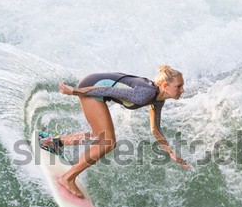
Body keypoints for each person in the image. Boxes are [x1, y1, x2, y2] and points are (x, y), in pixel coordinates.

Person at [45, 65, 191, 198]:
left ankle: (54, 142)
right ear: (165, 86)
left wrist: (170, 152)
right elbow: (107, 90)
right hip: (92, 87)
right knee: (108, 142)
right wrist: (74, 92)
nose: (182, 90)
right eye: (179, 86)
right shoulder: (145, 94)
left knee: (99, 136)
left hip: (95, 87)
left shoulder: (157, 99)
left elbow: (155, 129)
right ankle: (68, 178)